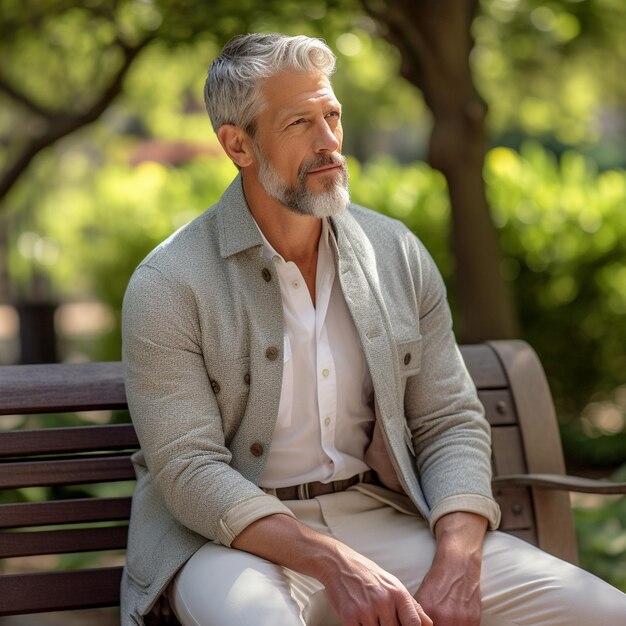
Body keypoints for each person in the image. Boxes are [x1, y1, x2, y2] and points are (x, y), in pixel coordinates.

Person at [120, 33, 626, 626]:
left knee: (600, 611)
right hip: (227, 543)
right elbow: (189, 470)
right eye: (299, 123)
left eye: (332, 115)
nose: (329, 141)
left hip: (381, 516)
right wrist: (336, 564)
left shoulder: (397, 252)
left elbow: (448, 420)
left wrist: (457, 560)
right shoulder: (169, 282)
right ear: (237, 145)